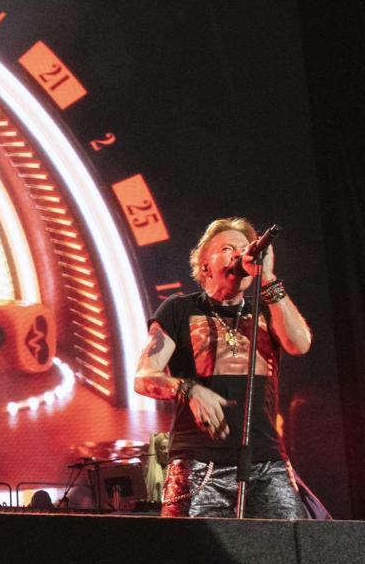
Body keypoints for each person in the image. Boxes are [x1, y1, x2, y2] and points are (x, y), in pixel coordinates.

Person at [133, 217, 312, 518]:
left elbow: (300, 344)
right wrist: (188, 389)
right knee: (193, 559)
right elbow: (144, 377)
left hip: (267, 464)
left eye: (245, 248)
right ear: (204, 266)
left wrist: (267, 276)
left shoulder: (268, 309)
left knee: (288, 556)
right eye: (228, 248)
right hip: (199, 466)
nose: (239, 255)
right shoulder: (180, 309)